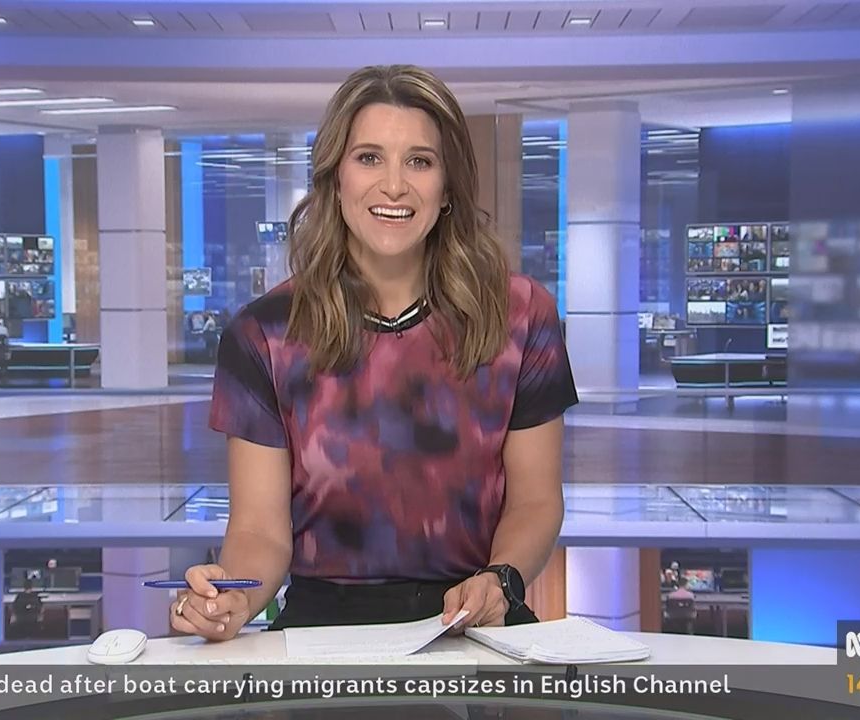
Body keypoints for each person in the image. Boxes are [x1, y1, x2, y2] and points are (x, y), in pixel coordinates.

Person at [170, 65, 577, 640]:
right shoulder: (264, 333)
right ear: (335, 178)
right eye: (368, 158)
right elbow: (260, 530)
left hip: (476, 622)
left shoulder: (522, 315)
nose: (394, 186)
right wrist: (232, 599)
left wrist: (500, 579)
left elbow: (536, 502)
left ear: (448, 187)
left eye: (419, 161)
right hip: (322, 632)